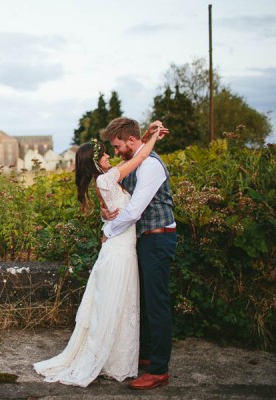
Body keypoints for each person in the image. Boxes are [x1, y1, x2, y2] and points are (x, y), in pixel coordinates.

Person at [33, 121, 166, 387]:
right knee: (114, 304)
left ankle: (117, 358)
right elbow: (140, 156)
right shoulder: (107, 178)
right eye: (105, 154)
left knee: (121, 304)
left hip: (122, 248)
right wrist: (153, 139)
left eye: (111, 151)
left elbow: (114, 204)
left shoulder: (107, 178)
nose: (111, 156)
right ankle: (109, 359)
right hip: (119, 251)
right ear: (96, 161)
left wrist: (148, 135)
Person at [100, 117, 177, 390]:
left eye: (119, 145)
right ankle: (146, 356)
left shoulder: (152, 166)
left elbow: (134, 211)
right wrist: (106, 213)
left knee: (156, 303)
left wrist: (108, 231)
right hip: (144, 241)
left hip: (159, 239)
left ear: (132, 140)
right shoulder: (136, 162)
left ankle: (159, 370)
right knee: (143, 300)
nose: (117, 151)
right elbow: (121, 200)